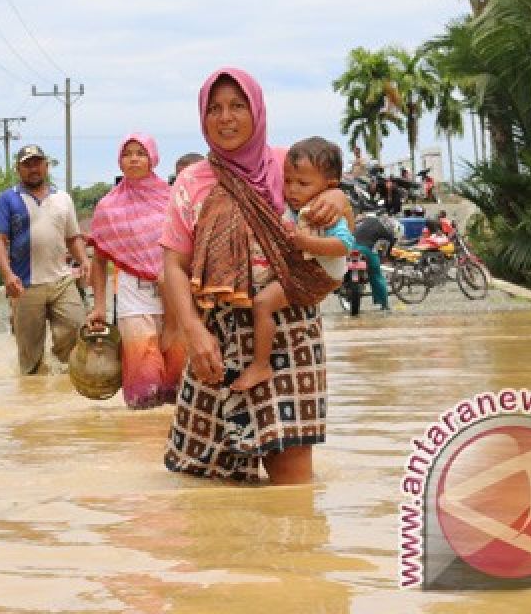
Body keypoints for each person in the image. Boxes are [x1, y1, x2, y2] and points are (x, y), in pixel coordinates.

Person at [161, 68, 349, 485]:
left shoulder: (289, 166)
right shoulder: (192, 182)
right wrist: (192, 330)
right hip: (215, 339)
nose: (225, 117)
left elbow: (342, 217)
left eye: (237, 106)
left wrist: (338, 196)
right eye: (215, 109)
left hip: (289, 332)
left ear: (258, 110)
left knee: (291, 486)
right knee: (209, 488)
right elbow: (173, 265)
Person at [229, 137, 354, 391]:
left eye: (303, 184)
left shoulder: (324, 210)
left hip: (317, 275)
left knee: (263, 304)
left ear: (329, 185)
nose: (293, 190)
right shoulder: (294, 208)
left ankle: (261, 364)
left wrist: (305, 243)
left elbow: (344, 244)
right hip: (304, 270)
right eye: (287, 182)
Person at [87, 134, 185, 408]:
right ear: (119, 161)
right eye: (127, 153)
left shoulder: (173, 198)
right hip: (133, 293)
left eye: (140, 152)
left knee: (179, 372)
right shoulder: (108, 207)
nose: (133, 158)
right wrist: (99, 307)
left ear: (152, 158)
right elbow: (99, 259)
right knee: (144, 372)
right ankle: (139, 440)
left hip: (175, 290)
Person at [0, 144, 89, 375]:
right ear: (18, 169)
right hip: (25, 284)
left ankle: (64, 377)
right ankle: (33, 388)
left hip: (62, 280)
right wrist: (7, 275)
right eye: (27, 164)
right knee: (30, 355)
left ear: (46, 166)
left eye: (37, 163)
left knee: (76, 327)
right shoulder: (8, 199)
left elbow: (73, 237)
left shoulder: (63, 198)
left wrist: (84, 260)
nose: (33, 169)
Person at [351, 214, 392, 311]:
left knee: (348, 268)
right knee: (376, 275)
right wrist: (386, 255)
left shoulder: (365, 221)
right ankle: (383, 303)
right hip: (367, 250)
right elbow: (390, 241)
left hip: (352, 248)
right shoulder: (383, 228)